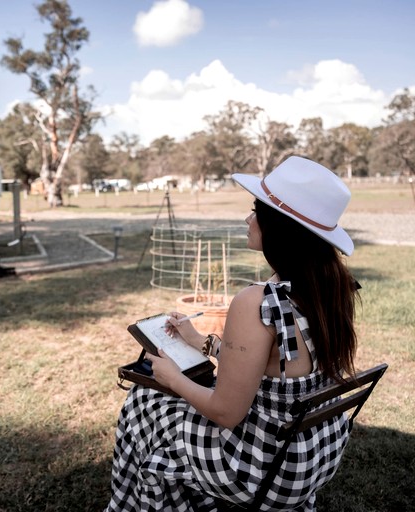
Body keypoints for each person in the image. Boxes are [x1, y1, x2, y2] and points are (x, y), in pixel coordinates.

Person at [105, 156, 360, 511]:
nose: (248, 219)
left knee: (144, 402)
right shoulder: (331, 288)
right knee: (165, 404)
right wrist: (201, 341)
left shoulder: (257, 301)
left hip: (260, 469)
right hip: (313, 452)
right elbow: (275, 366)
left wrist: (172, 377)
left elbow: (226, 413)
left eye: (256, 211)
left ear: (279, 227)